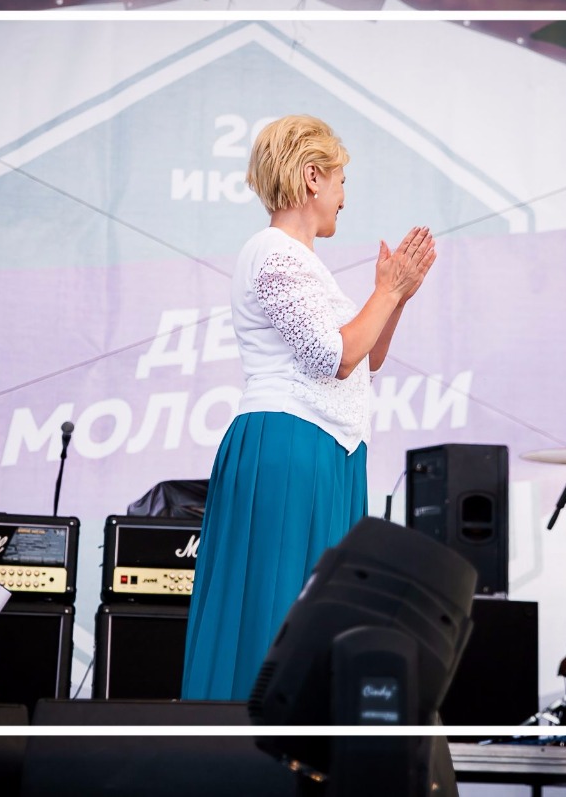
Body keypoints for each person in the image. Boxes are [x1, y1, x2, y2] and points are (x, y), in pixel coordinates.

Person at [181, 115, 436, 701]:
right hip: (290, 446)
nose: (345, 197)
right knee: (275, 611)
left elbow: (367, 358)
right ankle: (245, 742)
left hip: (328, 451)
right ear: (312, 177)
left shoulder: (306, 263)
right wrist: (386, 290)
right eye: (342, 181)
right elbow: (334, 357)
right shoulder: (274, 252)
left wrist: (396, 298)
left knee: (319, 620)